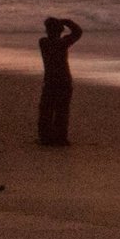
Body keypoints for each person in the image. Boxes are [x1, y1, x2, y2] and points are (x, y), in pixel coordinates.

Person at [36, 16, 83, 147]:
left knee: (46, 109)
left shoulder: (43, 42)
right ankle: (60, 137)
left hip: (50, 81)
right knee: (62, 110)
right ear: (60, 31)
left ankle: (45, 137)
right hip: (64, 80)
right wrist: (67, 22)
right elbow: (78, 32)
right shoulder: (62, 43)